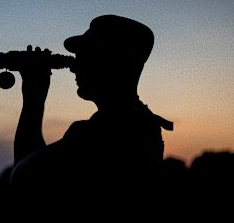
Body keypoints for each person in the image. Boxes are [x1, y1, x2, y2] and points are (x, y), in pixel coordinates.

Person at [9, 14, 173, 209]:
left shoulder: (109, 130)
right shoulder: (142, 122)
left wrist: (33, 99)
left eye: (84, 57)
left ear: (113, 63)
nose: (74, 69)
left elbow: (24, 178)